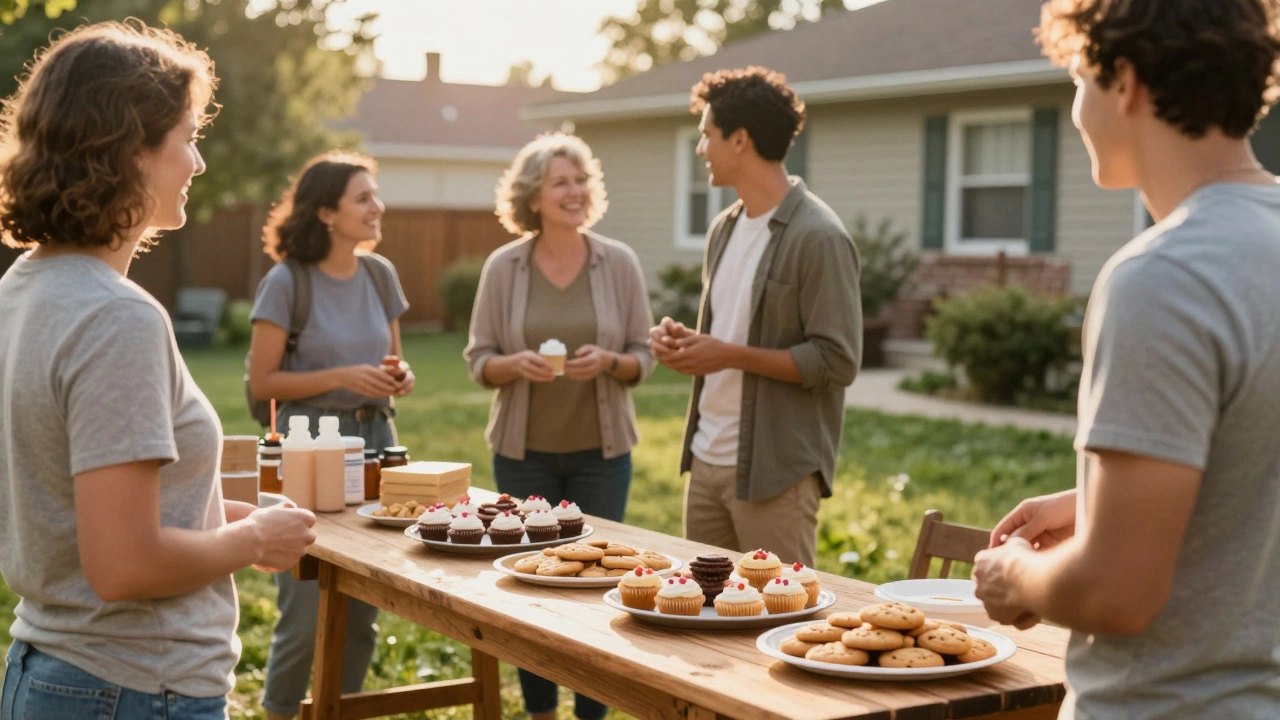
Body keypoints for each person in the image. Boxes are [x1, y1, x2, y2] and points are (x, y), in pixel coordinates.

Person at [0, 21, 317, 720]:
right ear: (129, 150)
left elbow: (76, 506)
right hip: (131, 688)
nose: (199, 162)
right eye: (188, 135)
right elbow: (125, 566)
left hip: (50, 671)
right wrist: (253, 540)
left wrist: (229, 514)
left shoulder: (23, 287)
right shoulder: (116, 318)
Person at [972, 1, 1280, 717]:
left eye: (1080, 78)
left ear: (1127, 81)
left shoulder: (1162, 277)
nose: (1077, 107)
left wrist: (1014, 574)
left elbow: (1117, 593)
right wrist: (1100, 506)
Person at [464, 132, 654, 720]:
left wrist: (611, 362)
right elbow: (477, 359)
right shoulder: (506, 266)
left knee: (597, 583)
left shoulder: (617, 261)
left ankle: (590, 714)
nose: (575, 192)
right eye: (561, 182)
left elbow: (643, 357)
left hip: (602, 453)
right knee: (533, 583)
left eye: (581, 180)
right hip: (526, 456)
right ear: (534, 197)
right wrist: (509, 364)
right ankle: (541, 711)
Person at [649, 67, 861, 568]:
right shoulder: (723, 227)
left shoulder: (820, 237)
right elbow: (730, 334)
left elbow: (837, 361)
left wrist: (727, 354)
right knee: (701, 615)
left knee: (781, 618)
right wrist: (685, 343)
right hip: (706, 461)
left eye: (706, 135)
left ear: (740, 140)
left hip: (775, 474)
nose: (701, 148)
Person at [246, 152, 413, 719]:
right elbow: (261, 382)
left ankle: (341, 710)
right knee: (304, 606)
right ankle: (280, 711)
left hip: (376, 445)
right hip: (306, 446)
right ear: (325, 212)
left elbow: (393, 361)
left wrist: (398, 377)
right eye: (363, 198)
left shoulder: (380, 273)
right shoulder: (287, 281)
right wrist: (341, 377)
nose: (377, 207)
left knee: (364, 607)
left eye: (376, 195)